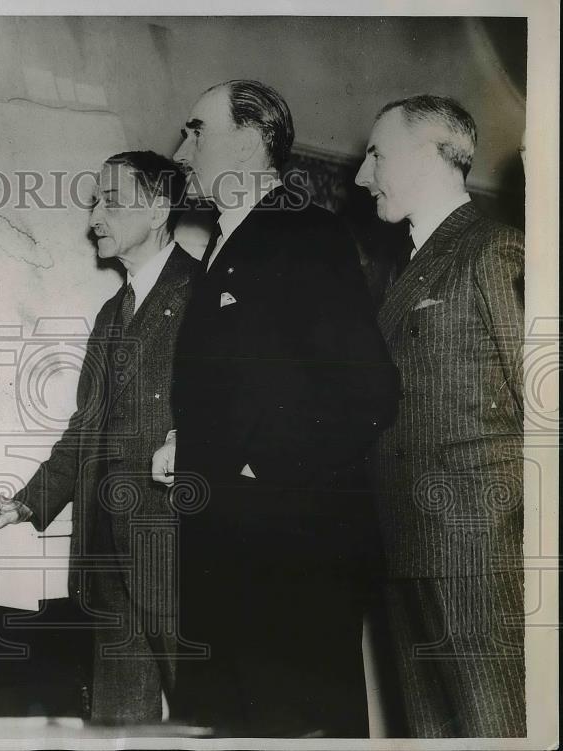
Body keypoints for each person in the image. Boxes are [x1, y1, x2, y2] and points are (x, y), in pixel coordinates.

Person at [153, 80, 400, 736]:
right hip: (226, 552)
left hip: (287, 561)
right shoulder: (221, 249)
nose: (182, 149)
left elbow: (368, 389)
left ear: (249, 138)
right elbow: (254, 384)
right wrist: (191, 441)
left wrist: (265, 467)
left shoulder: (302, 235)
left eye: (197, 129)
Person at [0, 151, 197, 724]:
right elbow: (85, 428)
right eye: (95, 200)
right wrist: (25, 502)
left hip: (177, 547)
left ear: (158, 209)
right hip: (106, 548)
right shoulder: (109, 312)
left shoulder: (205, 293)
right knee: (120, 721)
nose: (95, 214)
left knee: (207, 708)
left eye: (111, 201)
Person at [354, 94, 525, 737]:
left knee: (495, 729)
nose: (361, 175)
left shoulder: (494, 250)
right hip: (411, 545)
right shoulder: (409, 268)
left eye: (376, 154)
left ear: (431, 154)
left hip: (481, 553)